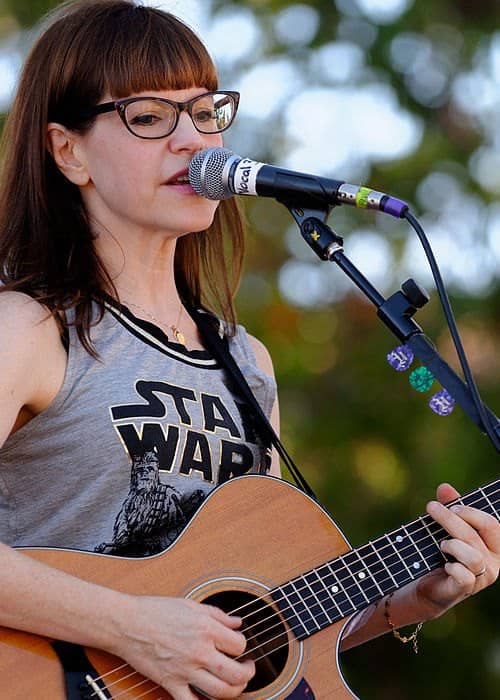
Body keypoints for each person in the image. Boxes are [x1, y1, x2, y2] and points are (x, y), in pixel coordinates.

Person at [0, 1, 498, 698]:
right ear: (68, 150)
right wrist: (131, 627)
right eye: (148, 117)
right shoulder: (28, 328)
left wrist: (414, 595)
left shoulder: (248, 363)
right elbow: (166, 637)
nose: (191, 141)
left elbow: (261, 625)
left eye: (204, 113)